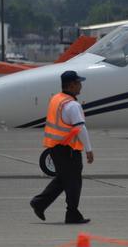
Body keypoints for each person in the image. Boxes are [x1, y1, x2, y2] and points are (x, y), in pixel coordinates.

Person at [30, 70, 94, 224]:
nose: (81, 86)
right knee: (74, 182)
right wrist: (89, 149)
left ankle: (40, 203)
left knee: (64, 179)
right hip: (68, 150)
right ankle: (72, 214)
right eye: (78, 83)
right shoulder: (72, 105)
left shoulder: (56, 99)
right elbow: (80, 128)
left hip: (55, 147)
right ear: (71, 85)